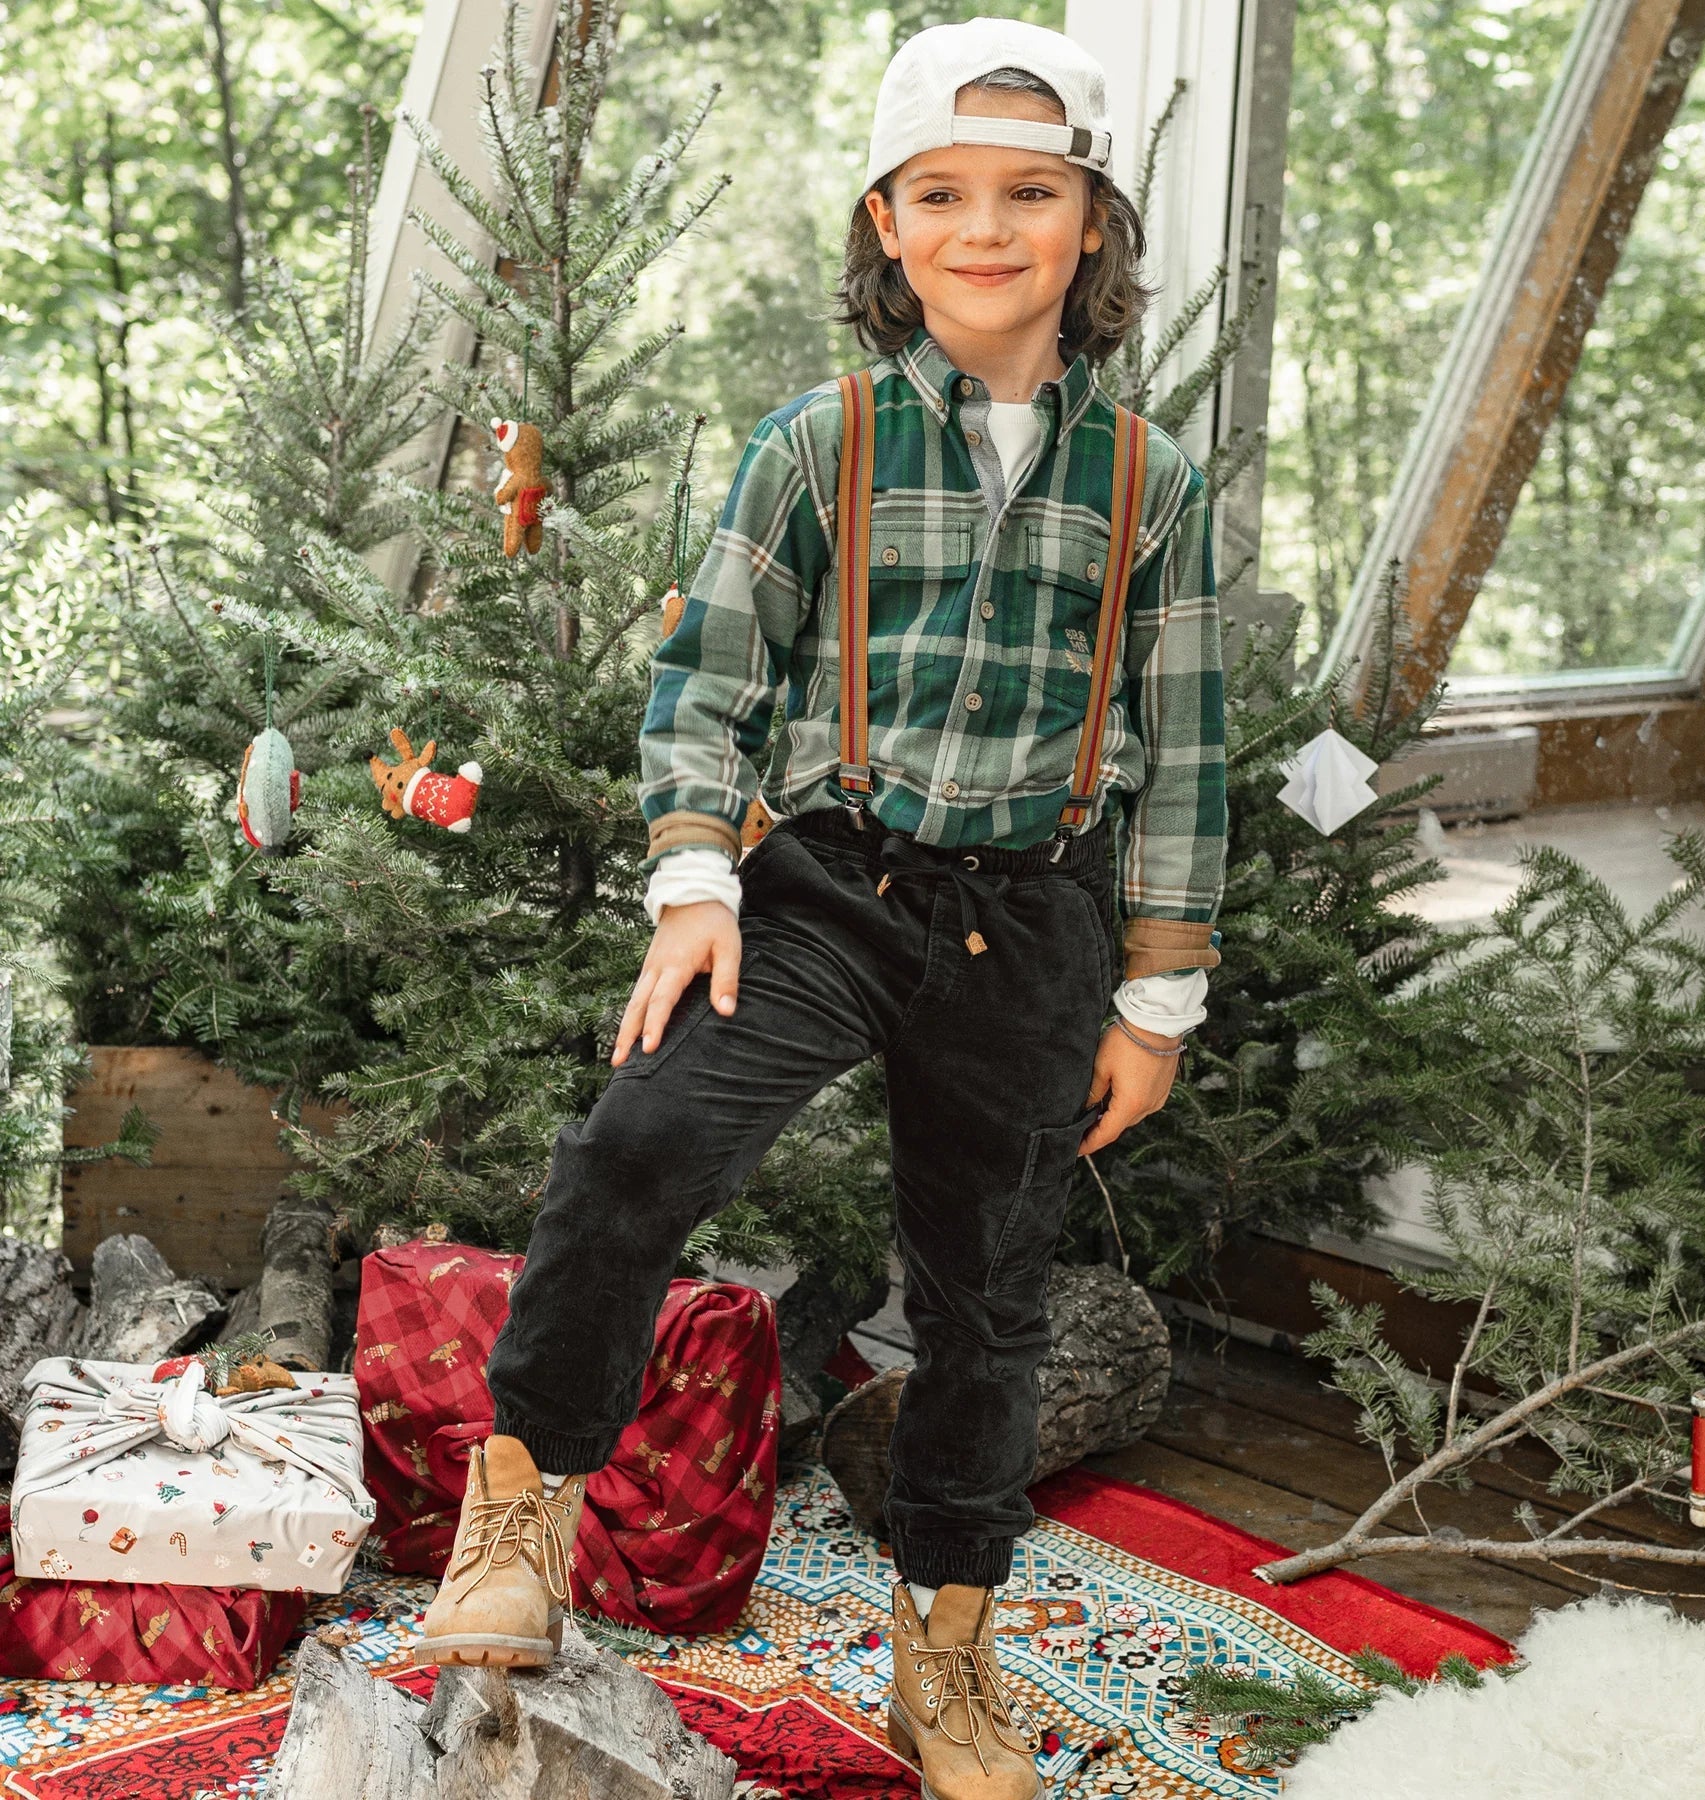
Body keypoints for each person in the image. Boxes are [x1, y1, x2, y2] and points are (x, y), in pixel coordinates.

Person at [416, 17, 1226, 1798]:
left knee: (988, 1297)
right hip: (829, 886)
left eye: (1030, 193)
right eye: (942, 194)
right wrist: (695, 881)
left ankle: (944, 1652)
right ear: (886, 223)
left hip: (1038, 919)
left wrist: (1158, 995)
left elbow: (1184, 749)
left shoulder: (1151, 480)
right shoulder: (819, 443)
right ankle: (523, 1503)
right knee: (640, 1142)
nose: (985, 229)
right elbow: (708, 683)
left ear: (1092, 222)